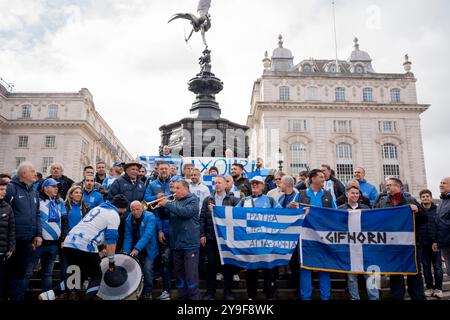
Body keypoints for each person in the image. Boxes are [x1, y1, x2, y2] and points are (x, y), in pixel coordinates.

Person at [39, 194, 129, 300]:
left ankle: (50, 294)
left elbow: (91, 228)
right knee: (96, 276)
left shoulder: (98, 208)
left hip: (69, 243)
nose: (124, 212)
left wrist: (100, 248)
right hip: (85, 245)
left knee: (79, 276)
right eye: (124, 209)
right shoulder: (114, 215)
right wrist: (111, 261)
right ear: (122, 207)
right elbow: (111, 240)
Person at [374, 177, 427, 300]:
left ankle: (418, 296)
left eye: (389, 185)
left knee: (415, 273)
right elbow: (375, 219)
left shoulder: (410, 200)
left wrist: (417, 210)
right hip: (392, 245)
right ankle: (397, 296)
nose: (386, 187)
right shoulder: (382, 202)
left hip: (411, 244)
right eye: (386, 185)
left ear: (398, 186)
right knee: (395, 273)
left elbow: (424, 219)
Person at [237, 176, 281, 300]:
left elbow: (282, 215)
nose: (254, 185)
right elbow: (232, 215)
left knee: (269, 270)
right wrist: (215, 210)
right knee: (251, 270)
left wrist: (295, 210)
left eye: (257, 183)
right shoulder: (244, 201)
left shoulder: (270, 200)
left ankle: (270, 295)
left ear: (263, 186)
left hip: (267, 242)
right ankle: (251, 296)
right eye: (252, 184)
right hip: (250, 242)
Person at [296, 169, 337, 300]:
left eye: (324, 177)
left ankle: (325, 297)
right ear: (313, 179)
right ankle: (305, 297)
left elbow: (335, 213)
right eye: (320, 177)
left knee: (324, 267)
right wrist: (295, 209)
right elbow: (292, 213)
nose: (323, 178)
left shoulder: (328, 195)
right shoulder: (300, 194)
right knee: (305, 268)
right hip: (305, 237)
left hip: (323, 237)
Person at [158, 180, 201, 300]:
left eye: (177, 188)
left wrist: (167, 204)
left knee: (191, 277)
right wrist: (161, 206)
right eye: (174, 188)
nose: (174, 191)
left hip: (189, 245)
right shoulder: (174, 201)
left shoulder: (193, 200)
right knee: (179, 277)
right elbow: (164, 216)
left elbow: (185, 212)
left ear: (186, 189)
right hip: (176, 245)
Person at [5, 162, 41, 300]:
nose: (35, 173)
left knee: (21, 273)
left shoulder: (34, 192)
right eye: (32, 171)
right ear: (23, 174)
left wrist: (37, 234)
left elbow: (37, 214)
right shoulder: (11, 188)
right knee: (8, 273)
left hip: (27, 240)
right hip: (12, 240)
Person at [200, 176, 239, 300]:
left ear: (225, 185)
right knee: (211, 266)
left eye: (219, 183)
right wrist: (202, 234)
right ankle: (210, 292)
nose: (216, 185)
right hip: (211, 238)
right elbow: (202, 219)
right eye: (215, 183)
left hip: (226, 238)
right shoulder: (208, 200)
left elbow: (236, 217)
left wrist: (216, 210)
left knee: (227, 266)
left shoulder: (233, 199)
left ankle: (228, 292)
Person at [338, 185, 378, 300]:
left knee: (372, 274)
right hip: (349, 248)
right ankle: (355, 298)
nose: (355, 195)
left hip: (366, 247)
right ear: (347, 194)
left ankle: (374, 297)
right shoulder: (340, 209)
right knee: (351, 277)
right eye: (353, 193)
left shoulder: (366, 208)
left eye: (357, 193)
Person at [26, 178, 66, 293]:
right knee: (28, 272)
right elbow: (32, 219)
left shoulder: (60, 202)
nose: (56, 188)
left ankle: (46, 297)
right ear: (45, 188)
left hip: (53, 244)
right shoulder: (37, 200)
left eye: (57, 186)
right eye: (53, 186)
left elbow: (64, 221)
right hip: (38, 242)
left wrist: (62, 237)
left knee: (48, 273)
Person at [122, 201, 159, 300]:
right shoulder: (128, 219)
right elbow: (127, 237)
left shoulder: (150, 216)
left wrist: (137, 248)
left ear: (142, 208)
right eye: (133, 210)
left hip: (149, 249)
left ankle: (148, 292)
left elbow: (148, 235)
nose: (135, 212)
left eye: (138, 209)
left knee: (147, 269)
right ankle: (134, 291)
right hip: (136, 249)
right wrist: (126, 253)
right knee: (132, 269)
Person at [108, 162, 146, 252]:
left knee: (134, 241)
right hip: (121, 219)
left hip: (136, 219)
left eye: (137, 169)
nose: (135, 171)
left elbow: (144, 202)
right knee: (119, 241)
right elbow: (110, 199)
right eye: (133, 169)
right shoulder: (118, 182)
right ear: (126, 170)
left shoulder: (142, 184)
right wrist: (119, 214)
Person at [278, 175, 301, 297]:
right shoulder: (281, 197)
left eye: (280, 183)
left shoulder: (298, 196)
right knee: (291, 262)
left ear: (286, 184)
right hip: (285, 234)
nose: (279, 185)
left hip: (296, 235)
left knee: (296, 262)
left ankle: (298, 288)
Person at [418, 189, 443, 298]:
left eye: (427, 196)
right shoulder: (418, 211)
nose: (425, 198)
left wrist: (437, 242)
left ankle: (438, 288)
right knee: (426, 268)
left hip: (435, 245)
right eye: (423, 197)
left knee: (437, 267)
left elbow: (441, 228)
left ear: (431, 198)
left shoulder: (437, 210)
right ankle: (429, 287)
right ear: (421, 199)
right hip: (423, 245)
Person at [0, 181, 15, 300]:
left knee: (2, 280)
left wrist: (11, 248)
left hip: (3, 251)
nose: (4, 192)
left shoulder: (8, 207)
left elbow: (11, 229)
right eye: (1, 189)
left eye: (5, 190)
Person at [436, 177, 450, 281]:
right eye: (440, 183)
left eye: (444, 183)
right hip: (445, 244)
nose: (441, 185)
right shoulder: (441, 202)